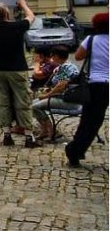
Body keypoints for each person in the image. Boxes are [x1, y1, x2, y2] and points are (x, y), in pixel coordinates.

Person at [0, 0, 42, 148]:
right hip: (17, 70)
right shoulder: (17, 27)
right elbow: (31, 17)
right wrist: (23, 5)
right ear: (7, 14)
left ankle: (7, 135)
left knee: (2, 103)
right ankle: (29, 138)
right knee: (23, 102)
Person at [65, 12, 109, 167]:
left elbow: (77, 56)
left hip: (95, 83)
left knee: (89, 118)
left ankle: (75, 150)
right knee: (95, 120)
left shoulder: (91, 40)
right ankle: (75, 150)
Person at [31, 46, 78, 141]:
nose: (51, 58)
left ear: (56, 56)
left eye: (52, 55)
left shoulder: (66, 67)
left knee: (33, 106)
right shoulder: (64, 66)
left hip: (67, 100)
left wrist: (47, 95)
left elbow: (61, 86)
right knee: (32, 104)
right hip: (62, 97)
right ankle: (45, 131)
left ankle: (52, 131)